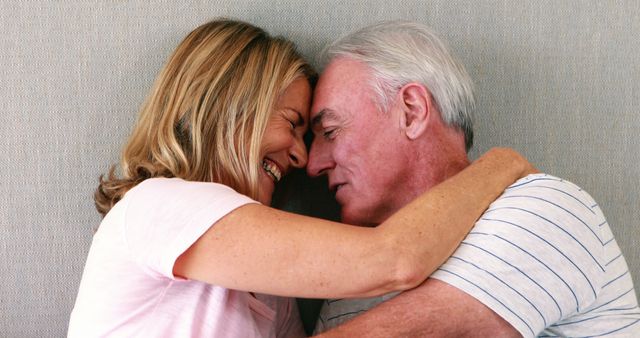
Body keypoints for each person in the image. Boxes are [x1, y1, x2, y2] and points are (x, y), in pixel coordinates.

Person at [67, 19, 533, 337]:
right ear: (230, 109)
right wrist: (502, 164)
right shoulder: (159, 205)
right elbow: (395, 260)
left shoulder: (272, 288)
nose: (301, 155)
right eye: (292, 123)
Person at [307, 20, 640, 337]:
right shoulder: (351, 284)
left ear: (411, 110)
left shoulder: (544, 210)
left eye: (331, 131)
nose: (312, 165)